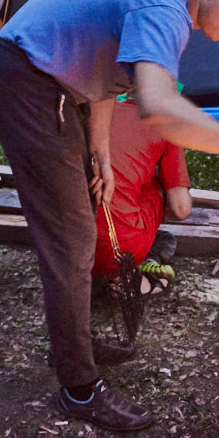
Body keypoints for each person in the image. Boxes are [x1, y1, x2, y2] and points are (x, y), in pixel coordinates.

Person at [0, 0, 219, 433]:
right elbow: (158, 108)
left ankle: (70, 338)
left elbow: (105, 79)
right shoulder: (164, 8)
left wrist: (100, 151)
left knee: (80, 214)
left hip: (52, 82)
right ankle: (78, 387)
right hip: (25, 81)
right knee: (71, 238)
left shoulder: (165, 1)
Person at [91, 96, 192, 295]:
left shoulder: (92, 114)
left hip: (68, 252)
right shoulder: (165, 122)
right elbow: (181, 209)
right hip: (119, 254)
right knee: (158, 186)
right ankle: (130, 279)